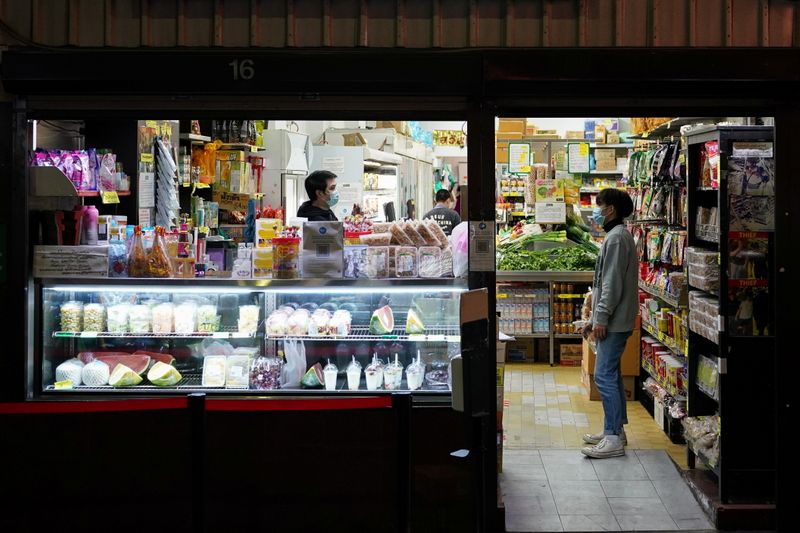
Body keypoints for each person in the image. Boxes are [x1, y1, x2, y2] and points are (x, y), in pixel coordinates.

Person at [580, 188, 638, 459]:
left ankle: (613, 437)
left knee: (603, 375)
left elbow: (612, 284)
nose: (596, 212)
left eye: (599, 206)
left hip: (614, 321)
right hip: (617, 318)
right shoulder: (618, 236)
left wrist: (600, 318)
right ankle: (614, 430)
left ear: (610, 209)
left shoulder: (616, 239)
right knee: (611, 375)